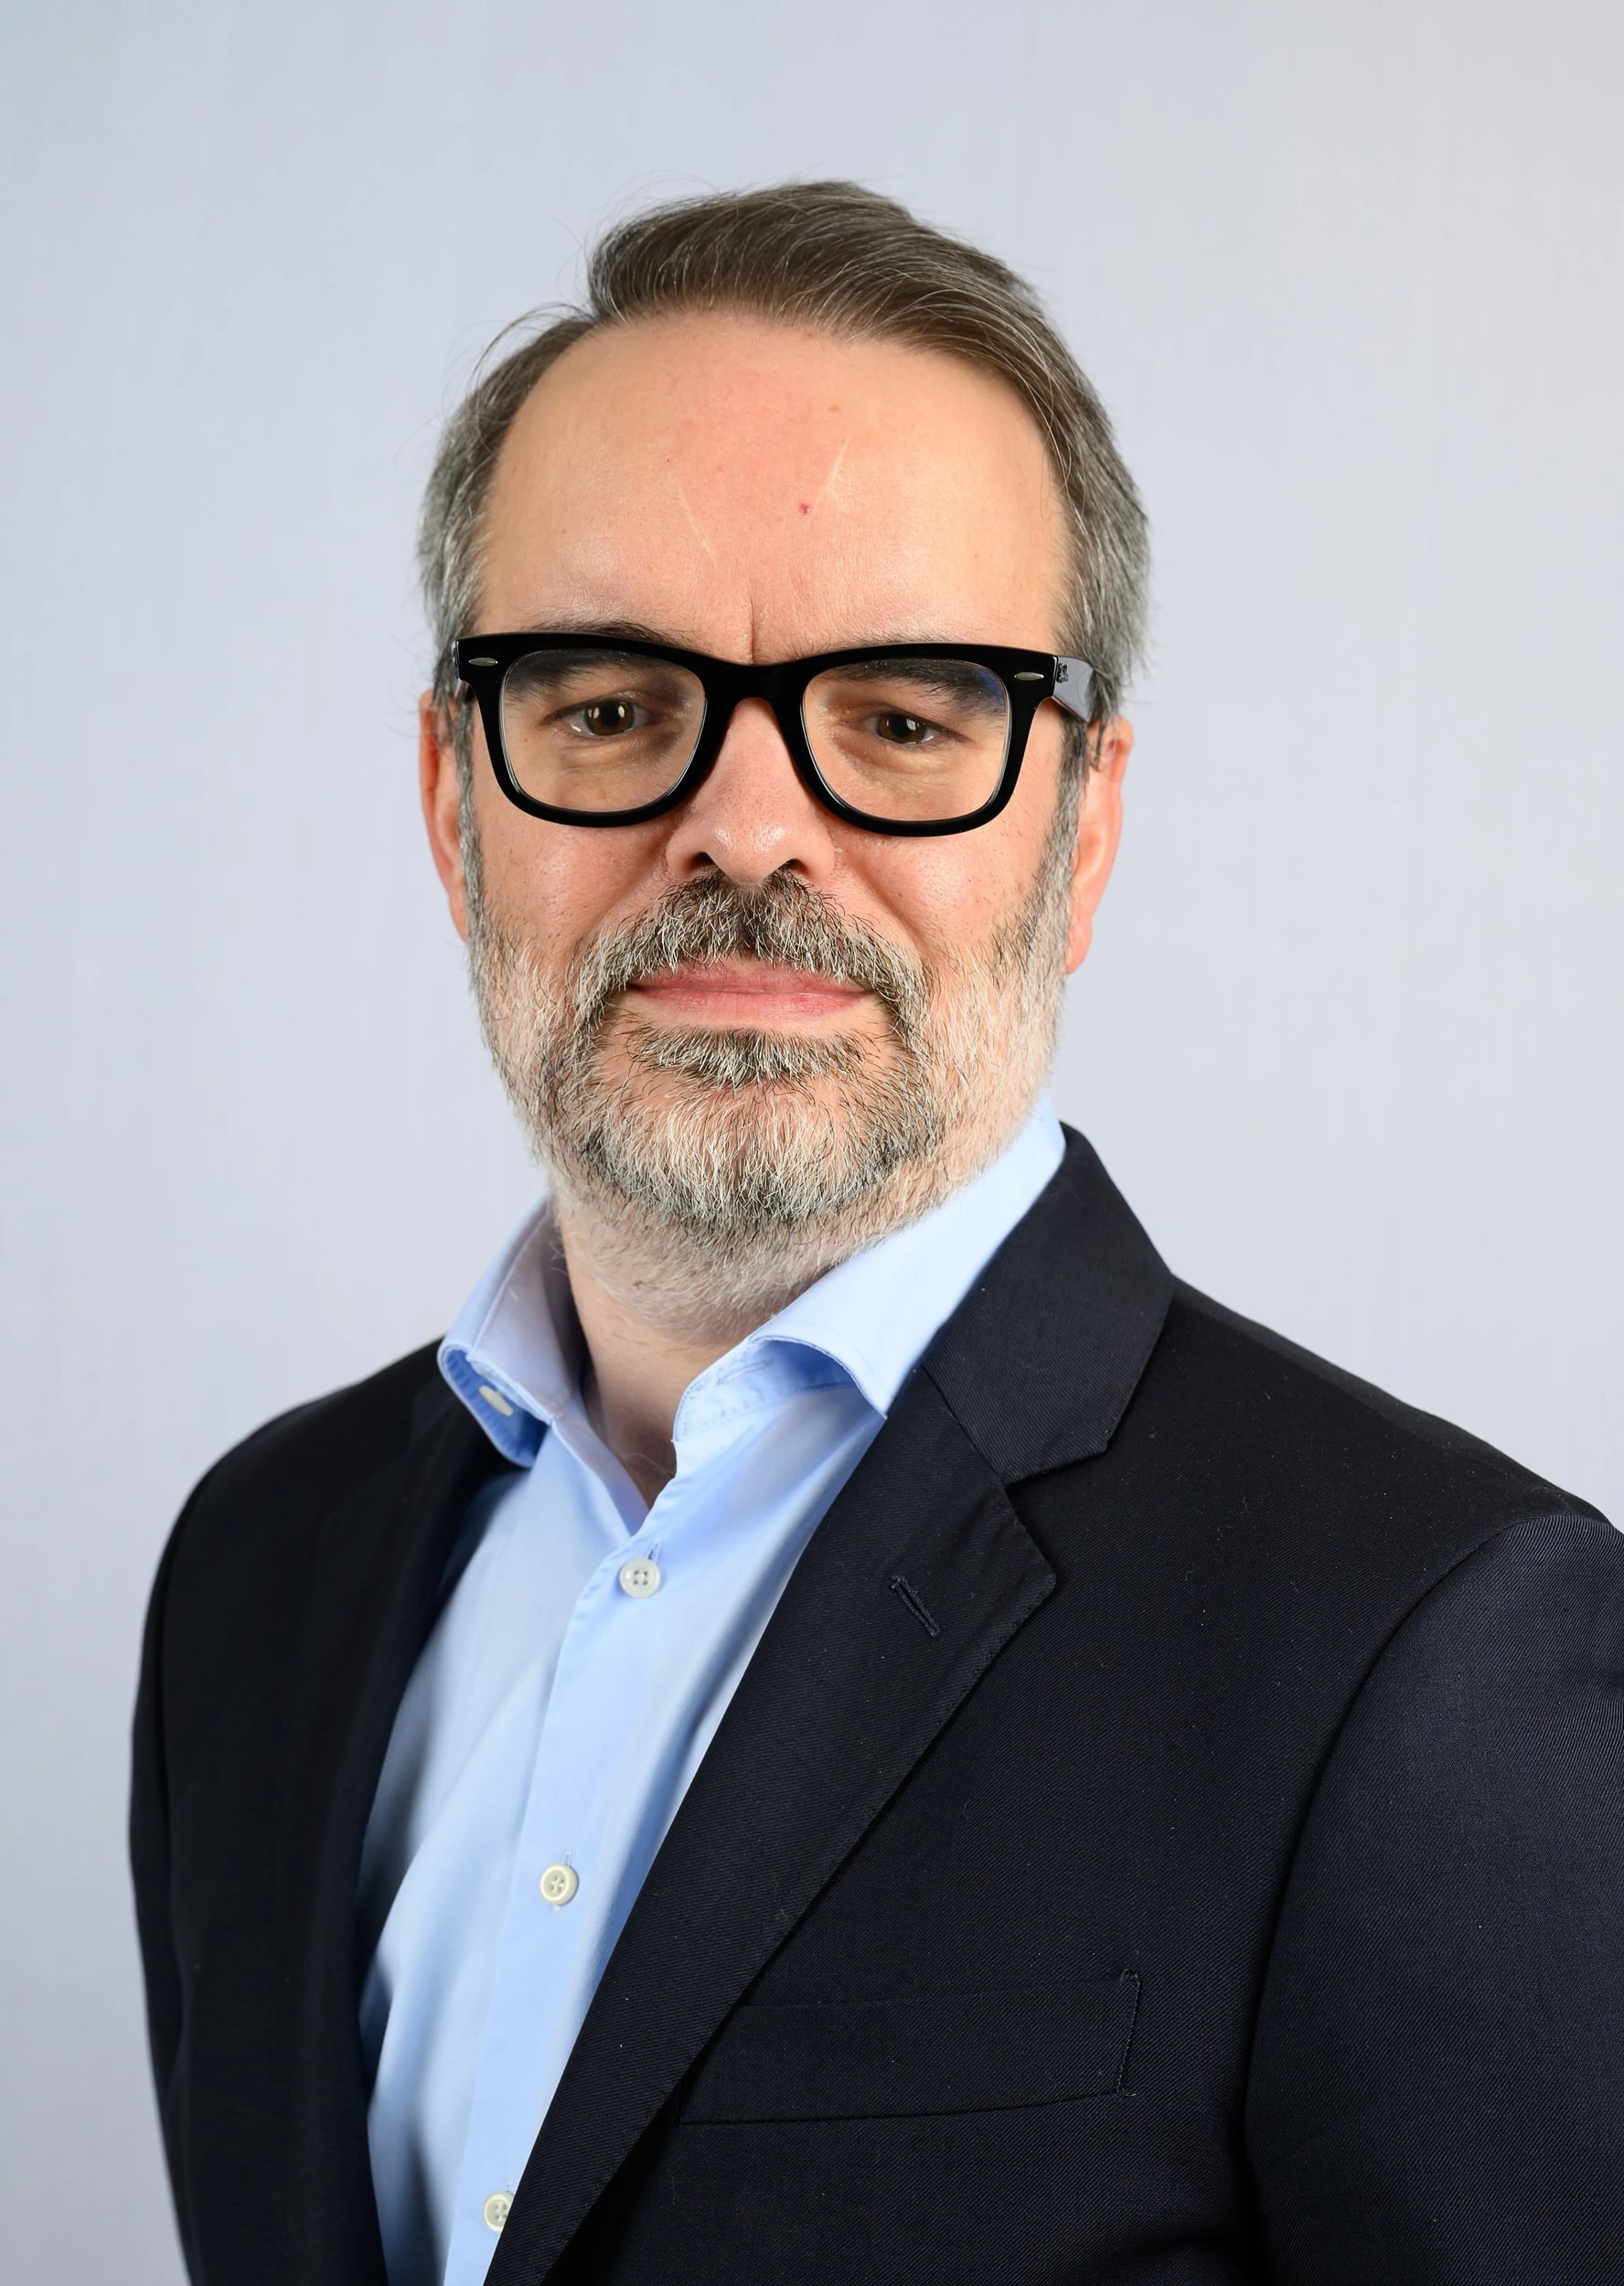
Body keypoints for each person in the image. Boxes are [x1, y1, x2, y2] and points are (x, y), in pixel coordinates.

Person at [130, 180, 1623, 2286]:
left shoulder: (1431, 1651)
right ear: (456, 806)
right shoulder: (252, 1576)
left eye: (907, 719)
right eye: (607, 706)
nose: (745, 825)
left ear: (1082, 833)